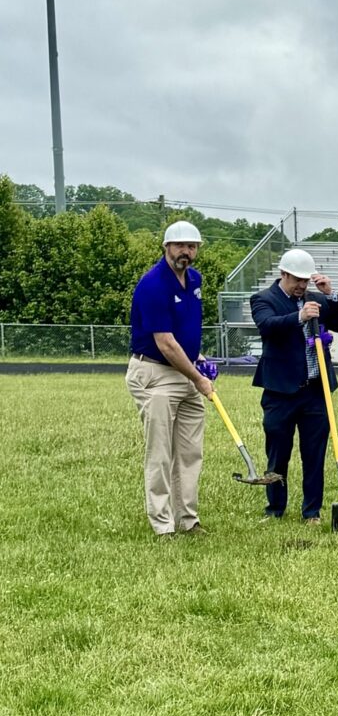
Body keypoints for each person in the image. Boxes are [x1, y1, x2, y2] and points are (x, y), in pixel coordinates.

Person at [251, 248, 338, 524]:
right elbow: (266, 326)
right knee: (277, 453)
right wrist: (300, 318)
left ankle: (312, 511)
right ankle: (275, 509)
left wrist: (330, 294)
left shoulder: (316, 299)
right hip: (280, 391)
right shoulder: (263, 299)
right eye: (297, 280)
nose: (301, 286)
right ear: (283, 274)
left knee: (314, 453)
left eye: (305, 281)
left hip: (315, 391)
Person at [126, 220, 215, 537]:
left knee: (190, 452)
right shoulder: (153, 285)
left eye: (192, 247)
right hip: (155, 372)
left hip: (185, 369)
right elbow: (164, 342)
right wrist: (199, 379)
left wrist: (198, 357)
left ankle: (188, 520)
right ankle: (163, 525)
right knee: (161, 452)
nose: (186, 252)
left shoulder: (195, 280)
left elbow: (185, 331)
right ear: (166, 247)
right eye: (180, 246)